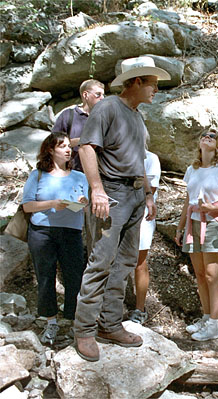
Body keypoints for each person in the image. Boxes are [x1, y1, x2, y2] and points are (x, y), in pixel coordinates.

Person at [73, 56, 170, 362]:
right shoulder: (108, 107)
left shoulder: (137, 118)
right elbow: (87, 147)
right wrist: (97, 189)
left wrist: (149, 196)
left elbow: (138, 161)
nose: (156, 90)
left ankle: (110, 324)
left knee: (125, 262)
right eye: (153, 84)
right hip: (112, 193)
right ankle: (85, 329)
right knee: (101, 261)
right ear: (137, 81)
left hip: (135, 196)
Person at [22, 132, 89, 345]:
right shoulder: (38, 175)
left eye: (69, 146)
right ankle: (50, 322)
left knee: (74, 277)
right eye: (62, 146)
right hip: (42, 233)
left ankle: (71, 321)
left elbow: (86, 205)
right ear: (50, 150)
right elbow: (27, 205)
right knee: (45, 277)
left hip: (71, 232)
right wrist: (52, 203)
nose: (68, 150)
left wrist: (83, 202)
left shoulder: (80, 176)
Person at [174, 129, 218, 341]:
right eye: (203, 135)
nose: (207, 137)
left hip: (212, 223)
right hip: (193, 223)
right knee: (199, 274)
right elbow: (187, 201)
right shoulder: (193, 169)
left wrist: (212, 206)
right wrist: (180, 227)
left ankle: (214, 325)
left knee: (212, 275)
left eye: (212, 135)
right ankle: (206, 316)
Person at [128, 140, 161, 325]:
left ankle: (140, 309)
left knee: (140, 262)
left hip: (142, 216)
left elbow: (150, 189)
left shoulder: (151, 159)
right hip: (121, 214)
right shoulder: (120, 155)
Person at [52, 79, 105, 172]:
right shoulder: (68, 116)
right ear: (85, 95)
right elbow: (52, 143)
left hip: (101, 174)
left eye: (103, 95)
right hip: (73, 173)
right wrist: (78, 142)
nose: (102, 98)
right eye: (98, 94)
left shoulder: (105, 118)